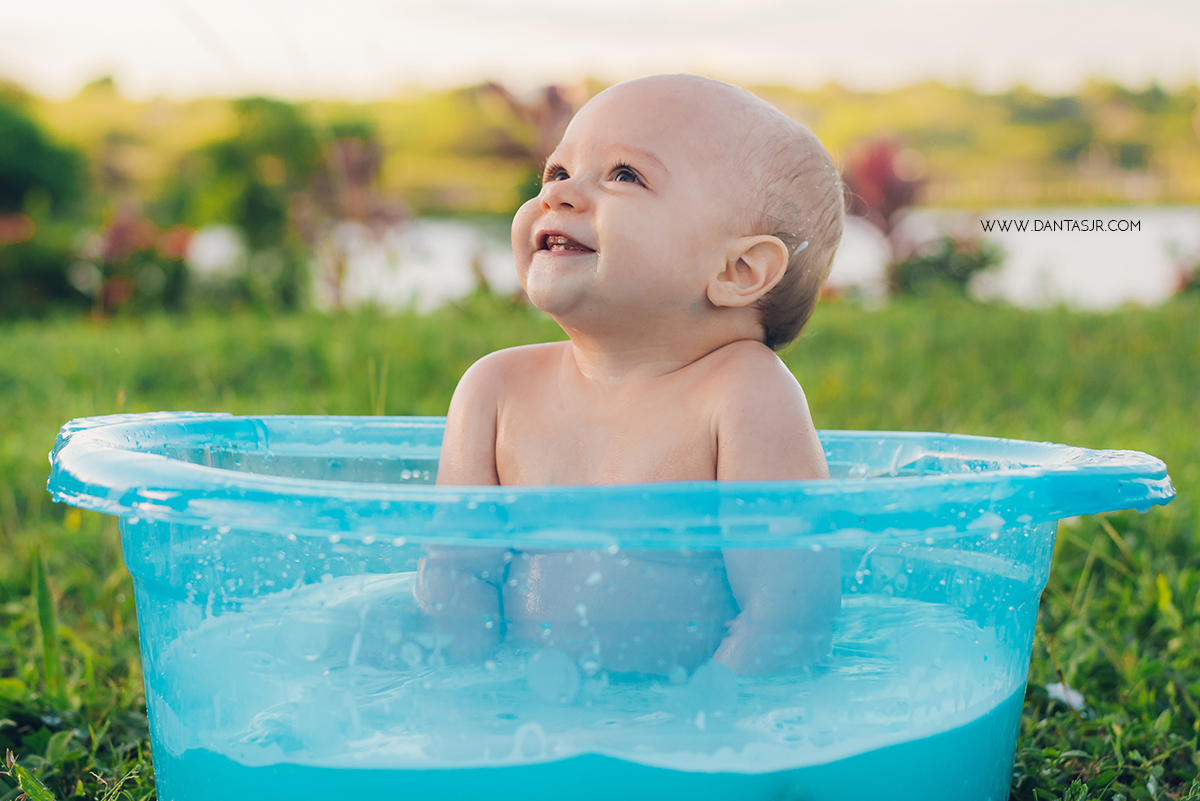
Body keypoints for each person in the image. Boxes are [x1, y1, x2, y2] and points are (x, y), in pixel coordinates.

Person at [416, 74, 844, 677]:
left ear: (740, 268)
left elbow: (791, 612)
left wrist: (705, 726)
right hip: (528, 708)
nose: (558, 197)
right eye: (557, 172)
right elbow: (455, 575)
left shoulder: (744, 395)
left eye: (625, 176)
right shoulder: (495, 391)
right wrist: (466, 701)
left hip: (687, 720)